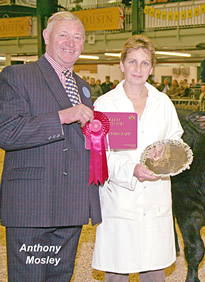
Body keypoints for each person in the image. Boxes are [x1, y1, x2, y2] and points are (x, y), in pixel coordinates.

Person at [0, 11, 101, 281]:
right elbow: (7, 132)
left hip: (71, 205)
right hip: (33, 206)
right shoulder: (17, 75)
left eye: (78, 37)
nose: (71, 42)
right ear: (46, 36)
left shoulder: (82, 87)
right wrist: (63, 116)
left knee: (60, 277)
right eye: (64, 35)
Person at [91, 34, 183, 282]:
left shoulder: (163, 103)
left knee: (154, 271)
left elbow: (177, 141)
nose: (138, 69)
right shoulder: (105, 104)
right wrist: (131, 169)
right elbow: (98, 156)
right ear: (121, 65)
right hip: (119, 200)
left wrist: (166, 153)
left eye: (144, 63)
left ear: (152, 68)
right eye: (132, 62)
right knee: (117, 271)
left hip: (155, 198)